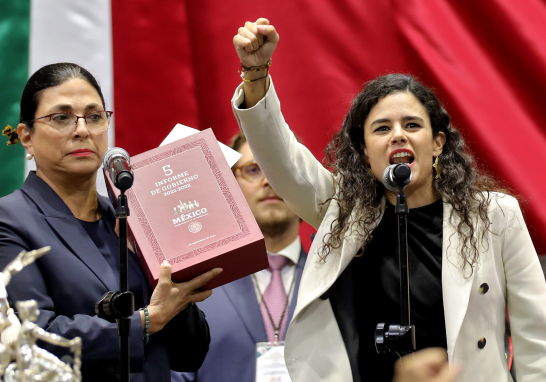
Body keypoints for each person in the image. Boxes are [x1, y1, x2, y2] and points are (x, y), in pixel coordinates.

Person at [230, 19, 546, 382]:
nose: (398, 135)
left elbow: (536, 339)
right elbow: (281, 157)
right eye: (382, 128)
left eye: (412, 125)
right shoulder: (343, 212)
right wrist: (255, 73)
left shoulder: (493, 215)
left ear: (438, 144)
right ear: (365, 152)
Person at [0, 63, 222, 381]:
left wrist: (176, 286)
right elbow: (32, 336)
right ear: (27, 137)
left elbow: (189, 354)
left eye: (94, 116)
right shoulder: (10, 220)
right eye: (61, 117)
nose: (82, 130)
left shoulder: (130, 219)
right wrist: (147, 321)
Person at [172, 132, 307, 382]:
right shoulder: (196, 288)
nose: (269, 180)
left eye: (281, 167)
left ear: (304, 182)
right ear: (230, 186)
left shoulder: (337, 281)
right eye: (254, 170)